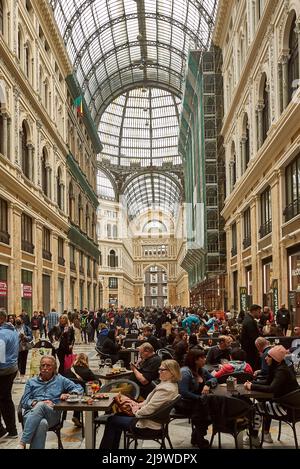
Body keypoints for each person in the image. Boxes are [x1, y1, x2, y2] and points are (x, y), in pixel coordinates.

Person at [99, 359, 180, 449]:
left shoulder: (166, 389)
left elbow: (149, 409)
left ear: (172, 372)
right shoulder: (170, 385)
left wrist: (136, 411)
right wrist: (138, 405)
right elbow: (149, 402)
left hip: (148, 426)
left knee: (112, 421)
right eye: (159, 369)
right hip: (153, 421)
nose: (159, 372)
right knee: (117, 416)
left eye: (162, 370)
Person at [16, 355, 82, 449]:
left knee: (41, 405)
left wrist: (69, 394)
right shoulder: (31, 382)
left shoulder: (60, 380)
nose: (45, 368)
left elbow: (79, 388)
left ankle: (22, 442)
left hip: (52, 413)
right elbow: (25, 401)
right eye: (43, 365)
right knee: (42, 423)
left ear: (54, 368)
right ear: (40, 367)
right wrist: (35, 403)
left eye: (48, 365)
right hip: (31, 414)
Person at [244, 345, 299, 447]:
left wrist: (252, 387)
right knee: (264, 404)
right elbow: (268, 382)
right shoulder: (280, 368)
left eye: (268, 356)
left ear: (275, 359)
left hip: (287, 409)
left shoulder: (281, 371)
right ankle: (265, 435)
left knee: (254, 409)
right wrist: (252, 384)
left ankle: (253, 438)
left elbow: (271, 388)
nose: (265, 358)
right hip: (290, 405)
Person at [177, 350, 217, 448]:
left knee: (213, 407)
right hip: (184, 402)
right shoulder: (185, 372)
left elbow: (214, 379)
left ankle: (196, 435)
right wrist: (199, 398)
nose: (205, 359)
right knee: (204, 409)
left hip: (198, 402)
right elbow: (183, 392)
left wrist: (208, 384)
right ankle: (199, 438)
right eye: (202, 358)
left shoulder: (201, 370)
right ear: (195, 360)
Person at [0, 309, 19, 439]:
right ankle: (11, 430)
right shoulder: (12, 330)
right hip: (11, 368)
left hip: (3, 370)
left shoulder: (1, 334)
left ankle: (5, 430)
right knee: (6, 399)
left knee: (4, 399)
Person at [63, 353, 96, 427]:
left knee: (77, 393)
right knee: (90, 392)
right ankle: (94, 418)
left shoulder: (68, 370)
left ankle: (76, 416)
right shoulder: (87, 371)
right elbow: (97, 382)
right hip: (82, 396)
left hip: (68, 395)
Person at [240, 304, 262, 370]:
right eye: (259, 312)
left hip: (248, 349)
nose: (260, 314)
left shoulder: (248, 319)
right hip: (251, 351)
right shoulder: (250, 321)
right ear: (254, 311)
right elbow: (254, 337)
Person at [15, 315, 33, 383]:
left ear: (22, 321)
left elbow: (31, 337)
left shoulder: (26, 328)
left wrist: (24, 337)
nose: (18, 321)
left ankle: (23, 376)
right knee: (17, 362)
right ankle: (17, 375)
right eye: (17, 320)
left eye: (19, 320)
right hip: (16, 348)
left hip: (24, 347)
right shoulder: (14, 328)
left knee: (23, 361)